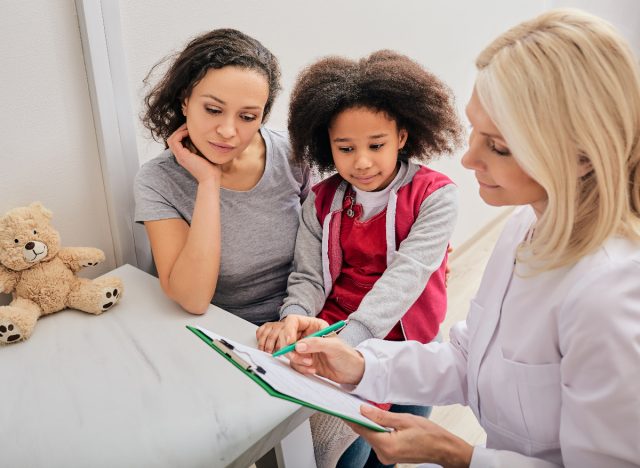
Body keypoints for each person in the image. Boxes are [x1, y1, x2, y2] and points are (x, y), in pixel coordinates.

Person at [282, 9, 640, 468]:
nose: (469, 159)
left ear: (582, 156)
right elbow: (470, 358)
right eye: (474, 130)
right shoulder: (522, 229)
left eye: (499, 146)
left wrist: (459, 455)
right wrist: (364, 365)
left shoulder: (612, 295)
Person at [256, 50, 463, 467]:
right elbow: (308, 274)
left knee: (392, 449)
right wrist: (294, 314)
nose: (362, 161)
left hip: (407, 339)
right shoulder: (322, 199)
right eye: (345, 148)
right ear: (327, 146)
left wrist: (351, 340)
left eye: (376, 144)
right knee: (345, 453)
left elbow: (406, 277)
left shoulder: (436, 196)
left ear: (402, 136)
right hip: (332, 331)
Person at [134, 29, 311, 323]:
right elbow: (193, 298)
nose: (228, 131)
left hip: (303, 320)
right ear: (185, 101)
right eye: (214, 110)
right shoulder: (158, 181)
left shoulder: (293, 155)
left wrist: (297, 318)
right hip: (222, 332)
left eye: (247, 117)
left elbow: (322, 257)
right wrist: (208, 183)